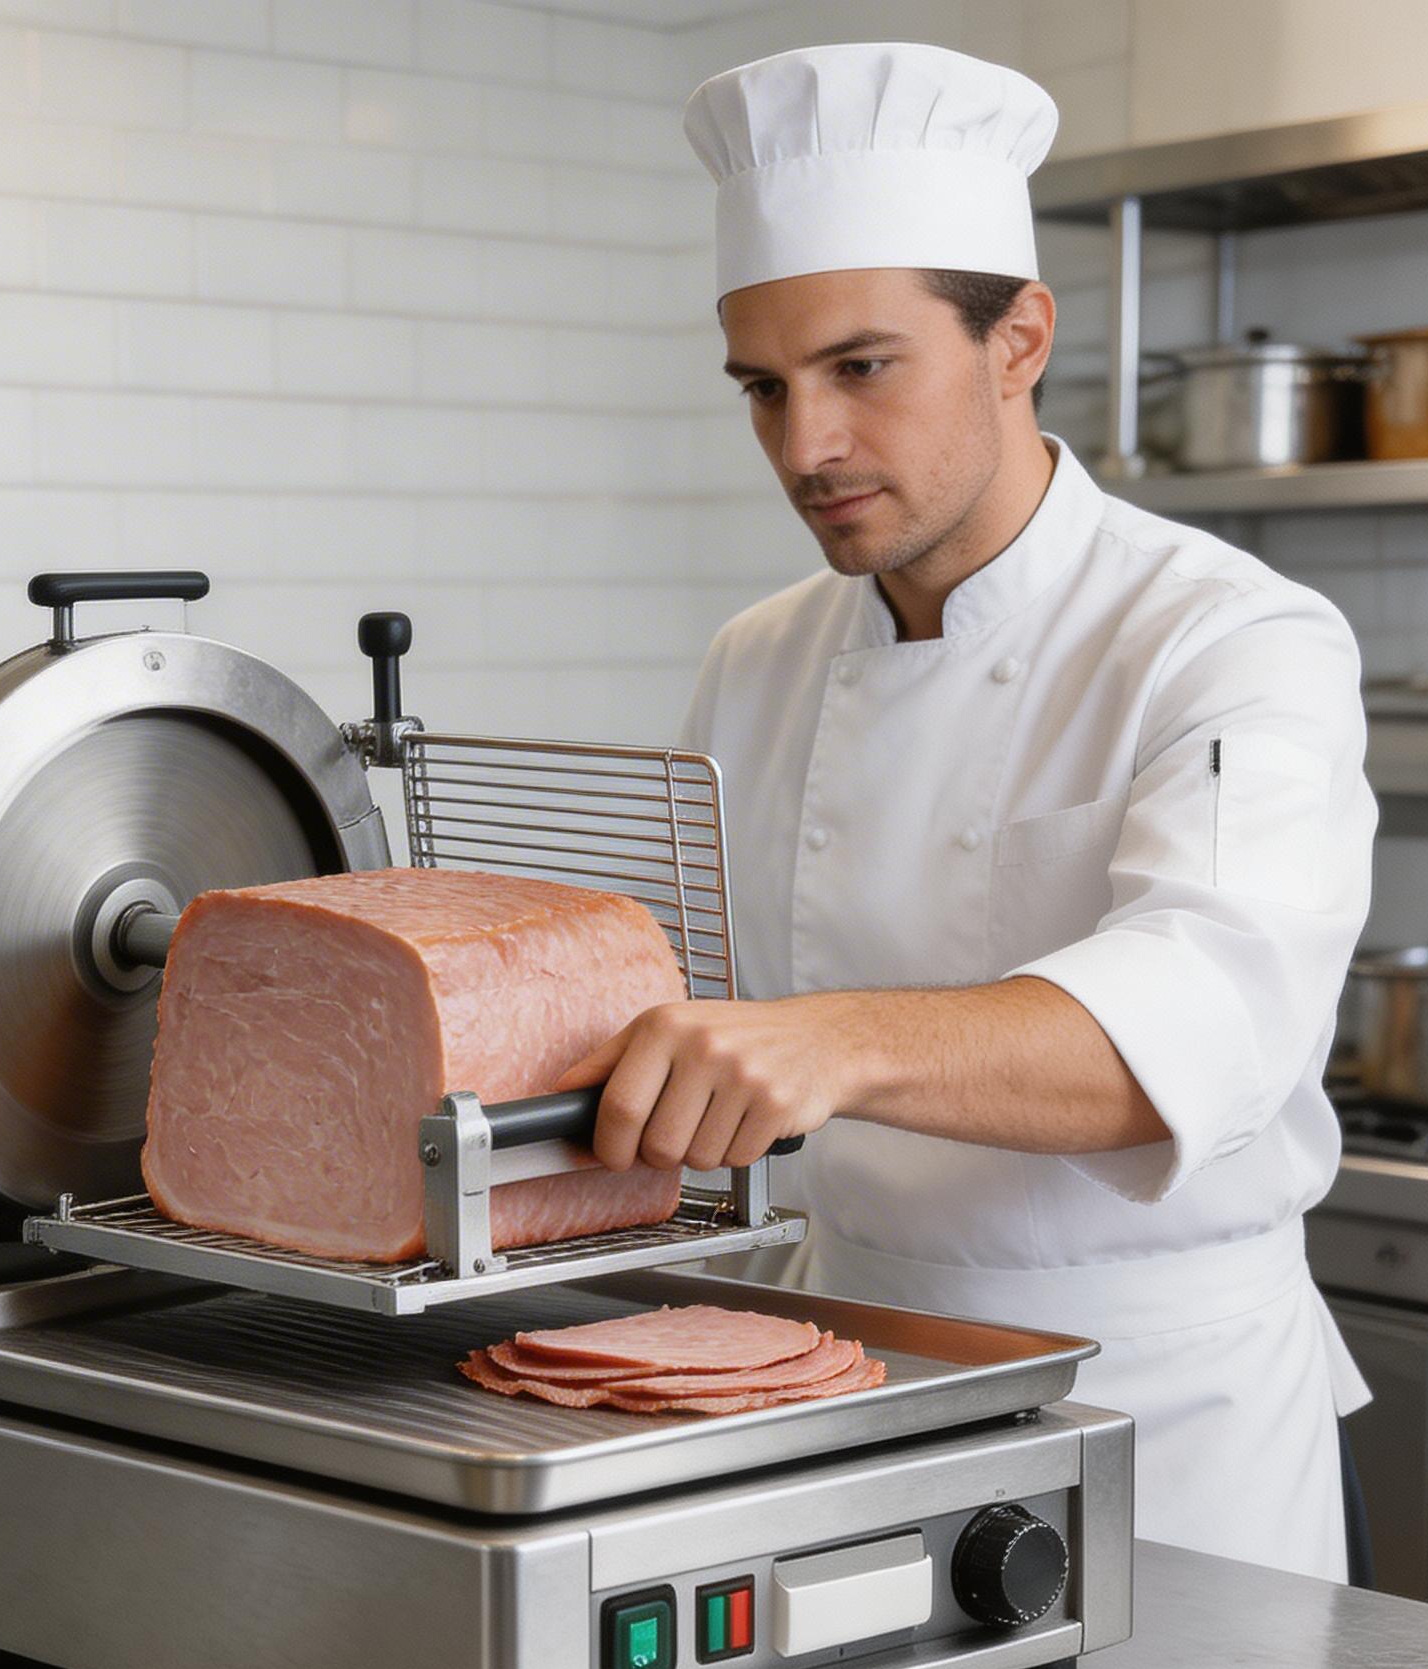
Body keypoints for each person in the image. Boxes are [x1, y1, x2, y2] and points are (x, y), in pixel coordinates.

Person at [554, 42, 1377, 1581]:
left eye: (863, 369)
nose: (806, 449)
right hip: (846, 1384)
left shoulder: (1228, 638)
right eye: (765, 388)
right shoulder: (759, 662)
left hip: (1162, 1426)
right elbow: (670, 1017)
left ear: (1019, 342)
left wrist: (836, 1042)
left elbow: (1203, 1026)